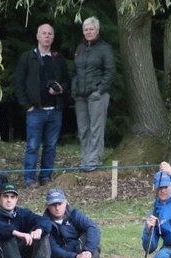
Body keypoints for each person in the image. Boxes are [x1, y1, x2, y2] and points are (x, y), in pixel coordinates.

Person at [14, 23, 69, 188]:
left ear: (53, 37)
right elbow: (19, 82)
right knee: (32, 146)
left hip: (54, 110)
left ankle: (45, 176)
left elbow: (67, 81)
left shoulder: (58, 58)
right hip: (35, 111)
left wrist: (60, 89)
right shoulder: (27, 57)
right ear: (37, 36)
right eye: (44, 33)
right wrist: (26, 105)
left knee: (51, 146)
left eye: (50, 34)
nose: (47, 36)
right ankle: (29, 179)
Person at [72, 17, 116, 172]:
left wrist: (100, 90)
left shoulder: (104, 48)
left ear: (97, 30)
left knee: (96, 128)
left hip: (97, 95)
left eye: (91, 29)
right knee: (83, 129)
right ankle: (85, 159)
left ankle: (94, 160)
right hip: (80, 96)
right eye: (85, 29)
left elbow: (110, 71)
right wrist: (74, 89)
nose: (88, 32)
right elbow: (75, 71)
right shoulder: (80, 48)